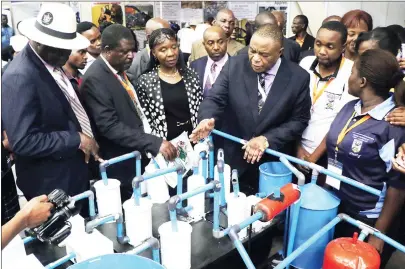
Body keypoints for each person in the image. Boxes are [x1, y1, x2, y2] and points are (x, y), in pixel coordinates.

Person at [190, 24, 311, 195]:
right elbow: (215, 98)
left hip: (271, 165)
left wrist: (266, 139)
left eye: (264, 54)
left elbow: (299, 120)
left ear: (280, 52)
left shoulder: (298, 78)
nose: (255, 58)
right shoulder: (235, 65)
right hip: (233, 160)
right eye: (252, 51)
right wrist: (206, 119)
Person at [2, 3, 100, 202]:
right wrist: (76, 139)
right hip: (50, 185)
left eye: (67, 48)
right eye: (59, 50)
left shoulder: (52, 62)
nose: (65, 55)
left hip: (72, 172)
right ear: (38, 41)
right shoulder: (20, 76)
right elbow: (23, 141)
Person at [326, 49, 405, 267]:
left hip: (367, 217)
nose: (347, 77)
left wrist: (377, 233)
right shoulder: (350, 107)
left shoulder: (392, 125)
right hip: (337, 203)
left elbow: (397, 187)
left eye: (351, 72)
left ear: (362, 81)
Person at [81, 24, 177, 202]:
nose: (131, 56)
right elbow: (109, 126)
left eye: (133, 50)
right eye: (124, 52)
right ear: (107, 50)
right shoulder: (95, 78)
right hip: (120, 164)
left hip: (137, 156)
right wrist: (153, 142)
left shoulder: (118, 71)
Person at [297, 21, 356, 184]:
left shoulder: (351, 72)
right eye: (318, 44)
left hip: (327, 153)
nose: (322, 51)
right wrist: (297, 149)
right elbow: (292, 109)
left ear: (343, 47)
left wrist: (314, 157)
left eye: (330, 46)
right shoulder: (305, 63)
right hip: (297, 148)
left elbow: (342, 122)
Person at [137, 28, 203, 141]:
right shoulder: (146, 82)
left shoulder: (191, 75)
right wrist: (156, 145)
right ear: (154, 53)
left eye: (174, 47)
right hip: (165, 145)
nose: (171, 53)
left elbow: (200, 109)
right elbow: (145, 121)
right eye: (163, 49)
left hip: (193, 141)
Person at [127, 18, 171, 86]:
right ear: (149, 38)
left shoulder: (176, 55)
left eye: (171, 34)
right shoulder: (135, 65)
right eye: (164, 35)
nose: (169, 39)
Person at [190, 26, 228, 94]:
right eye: (211, 43)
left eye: (220, 42)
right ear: (204, 45)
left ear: (226, 41)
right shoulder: (195, 65)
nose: (216, 47)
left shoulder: (237, 67)